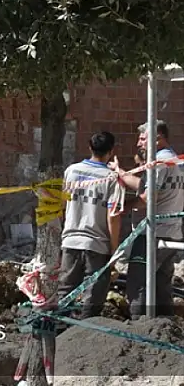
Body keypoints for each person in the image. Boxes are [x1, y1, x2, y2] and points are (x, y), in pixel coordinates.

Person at [112, 120, 182, 317]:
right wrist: (120, 172)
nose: (138, 143)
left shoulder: (158, 164)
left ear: (158, 138)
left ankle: (138, 330)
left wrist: (124, 207)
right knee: (161, 286)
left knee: (137, 284)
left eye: (143, 139)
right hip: (171, 232)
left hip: (153, 234)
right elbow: (145, 186)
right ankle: (165, 328)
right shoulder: (174, 159)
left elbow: (146, 198)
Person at [58, 131, 122, 318]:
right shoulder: (111, 178)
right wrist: (115, 249)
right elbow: (113, 216)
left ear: (90, 148)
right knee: (93, 298)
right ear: (111, 151)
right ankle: (86, 335)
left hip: (71, 241)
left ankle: (60, 334)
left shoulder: (72, 171)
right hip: (97, 245)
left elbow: (63, 204)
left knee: (65, 292)